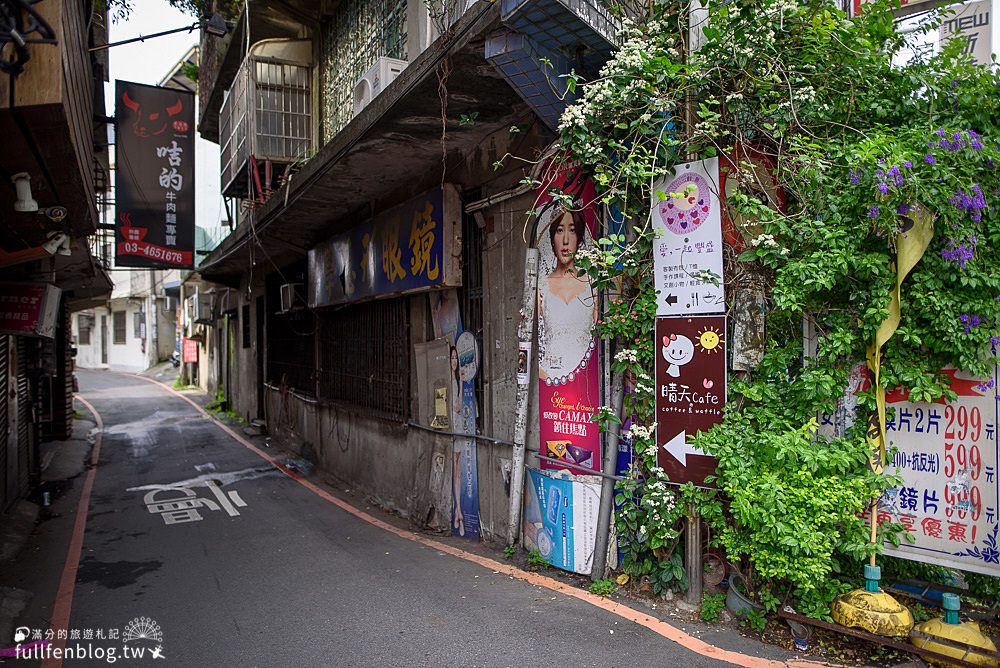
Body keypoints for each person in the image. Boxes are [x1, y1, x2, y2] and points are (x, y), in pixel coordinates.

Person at [538, 206, 597, 382]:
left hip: (585, 378)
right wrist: (543, 374)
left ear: (579, 238)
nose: (565, 240)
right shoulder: (542, 286)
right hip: (550, 380)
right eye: (559, 230)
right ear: (552, 238)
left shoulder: (591, 284)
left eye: (572, 231)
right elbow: (531, 335)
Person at [449, 345, 465, 536]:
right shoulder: (448, 379)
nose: (454, 361)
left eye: (455, 358)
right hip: (452, 426)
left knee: (458, 471)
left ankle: (458, 511)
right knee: (455, 470)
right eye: (452, 358)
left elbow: (459, 406)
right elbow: (455, 406)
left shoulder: (454, 379)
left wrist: (461, 382)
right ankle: (458, 511)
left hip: (459, 425)